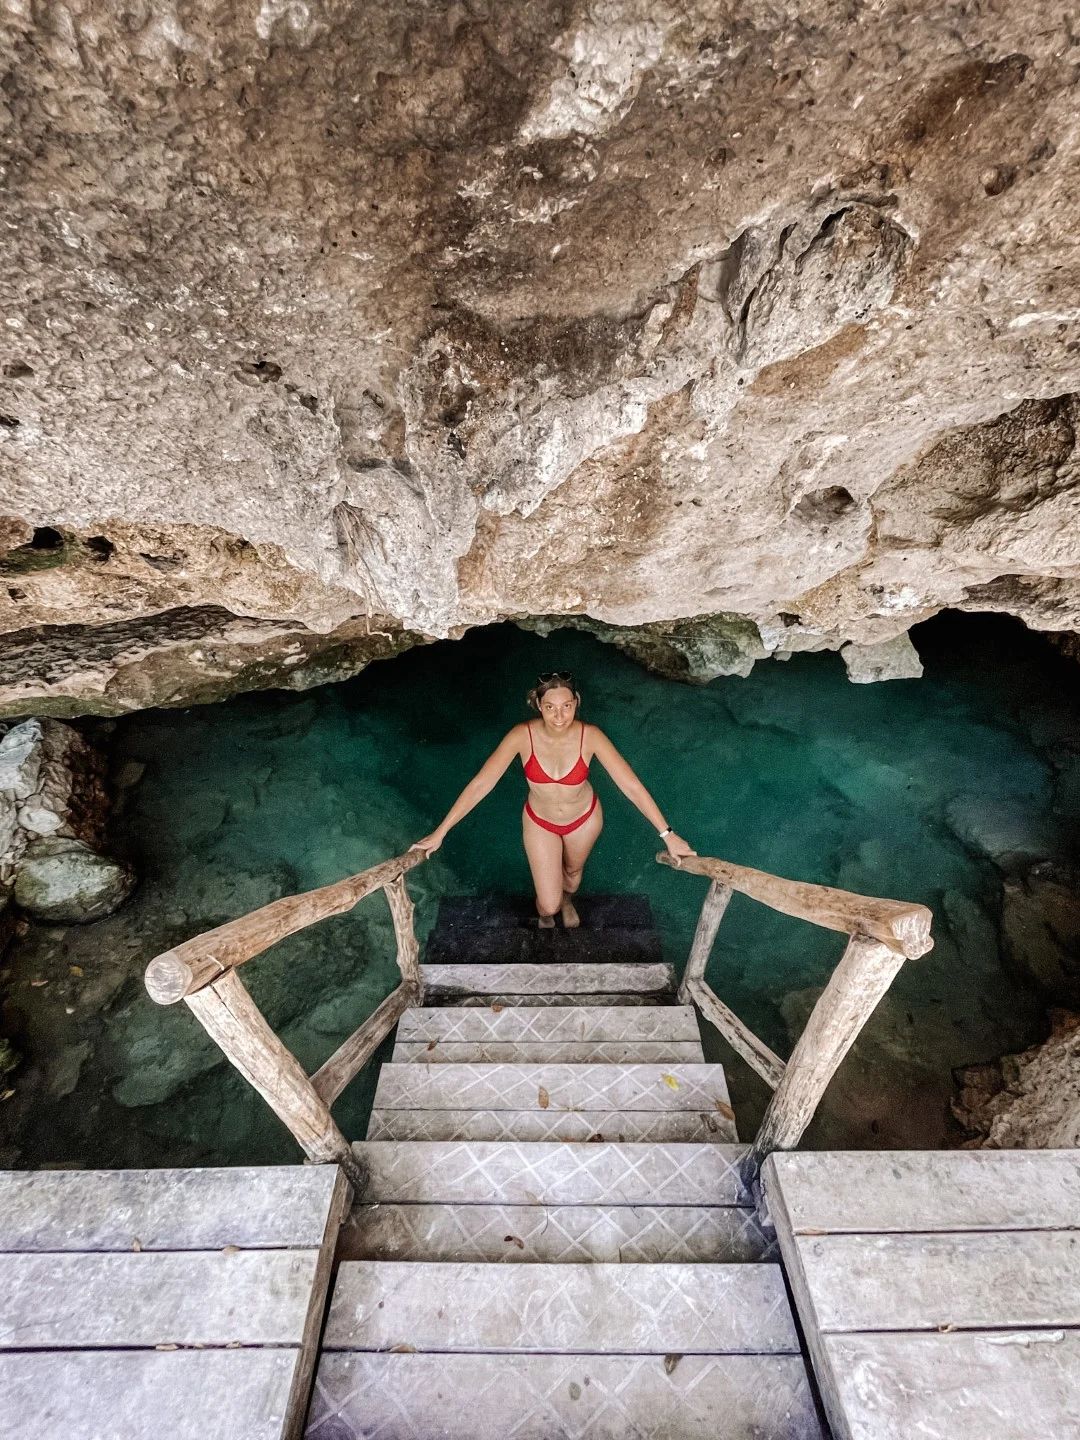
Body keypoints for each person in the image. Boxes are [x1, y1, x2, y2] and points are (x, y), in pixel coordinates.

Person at [411, 670, 696, 928]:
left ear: (576, 703)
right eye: (550, 707)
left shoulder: (591, 736)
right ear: (538, 705)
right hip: (540, 821)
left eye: (566, 707)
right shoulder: (522, 736)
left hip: (583, 820)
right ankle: (548, 913)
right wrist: (441, 833)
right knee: (548, 903)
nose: (559, 717)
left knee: (572, 873)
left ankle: (568, 899)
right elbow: (482, 784)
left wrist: (667, 834)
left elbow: (630, 785)